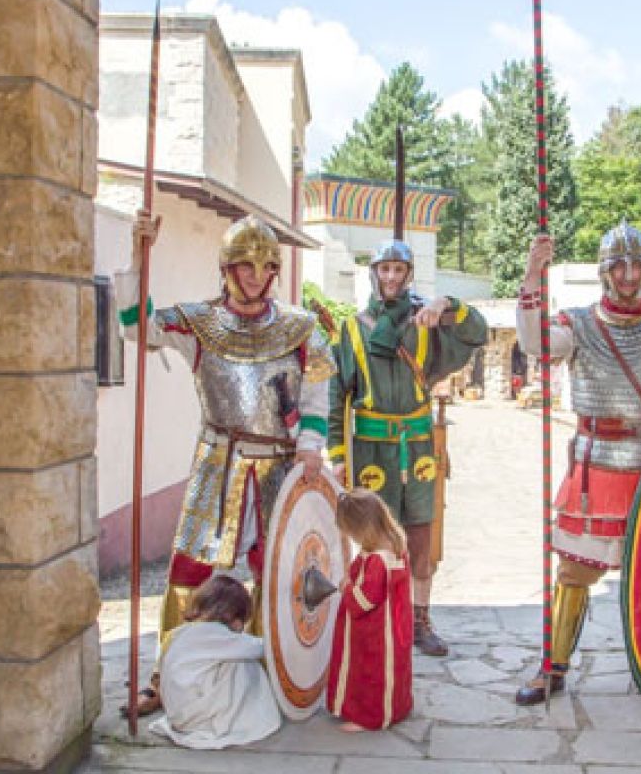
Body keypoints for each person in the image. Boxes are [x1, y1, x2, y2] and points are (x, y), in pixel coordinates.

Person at [118, 212, 335, 716]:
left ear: (275, 271)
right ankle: (165, 675)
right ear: (227, 268)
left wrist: (310, 446)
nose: (255, 275)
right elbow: (136, 326)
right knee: (187, 568)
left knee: (276, 570)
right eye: (244, 264)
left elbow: (319, 393)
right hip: (219, 460)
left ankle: (274, 671)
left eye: (264, 265)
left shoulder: (300, 328)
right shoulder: (199, 323)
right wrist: (138, 257)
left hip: (278, 465)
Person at [512, 221, 641, 706]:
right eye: (619, 265)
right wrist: (532, 274)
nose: (629, 275)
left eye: (637, 265)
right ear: (605, 271)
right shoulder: (577, 323)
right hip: (598, 467)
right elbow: (534, 345)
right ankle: (554, 665)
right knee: (574, 571)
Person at [327, 239, 488, 656]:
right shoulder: (352, 328)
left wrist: (447, 303)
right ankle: (377, 615)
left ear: (409, 274)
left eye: (400, 270)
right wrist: (338, 456)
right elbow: (336, 395)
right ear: (374, 273)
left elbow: (478, 332)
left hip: (416, 447)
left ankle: (419, 621)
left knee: (419, 534)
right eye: (385, 269)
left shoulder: (426, 325)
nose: (392, 278)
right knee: (374, 534)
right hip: (370, 449)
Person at [148, 575, 281, 749]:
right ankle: (245, 718)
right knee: (244, 663)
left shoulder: (179, 633)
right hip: (199, 719)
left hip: (178, 715)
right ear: (234, 614)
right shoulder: (216, 634)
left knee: (234, 655)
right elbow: (262, 648)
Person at [326, 488, 414, 731]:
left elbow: (365, 600)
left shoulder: (377, 559)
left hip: (375, 632)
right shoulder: (395, 543)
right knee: (393, 669)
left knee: (370, 673)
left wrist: (347, 587)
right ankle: (396, 706)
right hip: (395, 625)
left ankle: (370, 716)